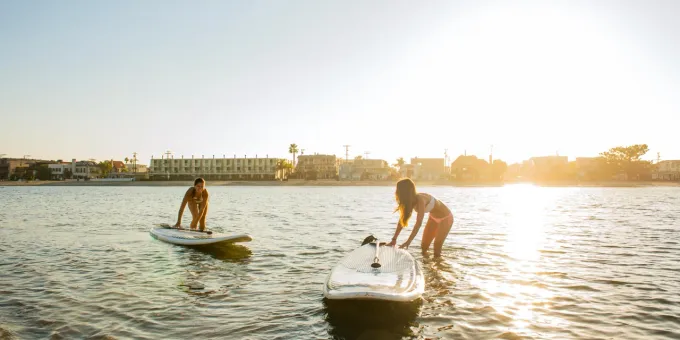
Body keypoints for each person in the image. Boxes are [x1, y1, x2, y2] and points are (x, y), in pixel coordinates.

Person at [386, 178, 453, 257]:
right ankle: (427, 267)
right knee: (424, 247)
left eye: (398, 190)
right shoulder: (409, 201)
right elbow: (402, 221)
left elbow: (418, 223)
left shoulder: (420, 199)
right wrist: (394, 240)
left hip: (446, 218)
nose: (396, 193)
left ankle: (438, 266)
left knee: (437, 248)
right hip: (433, 218)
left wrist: (408, 241)